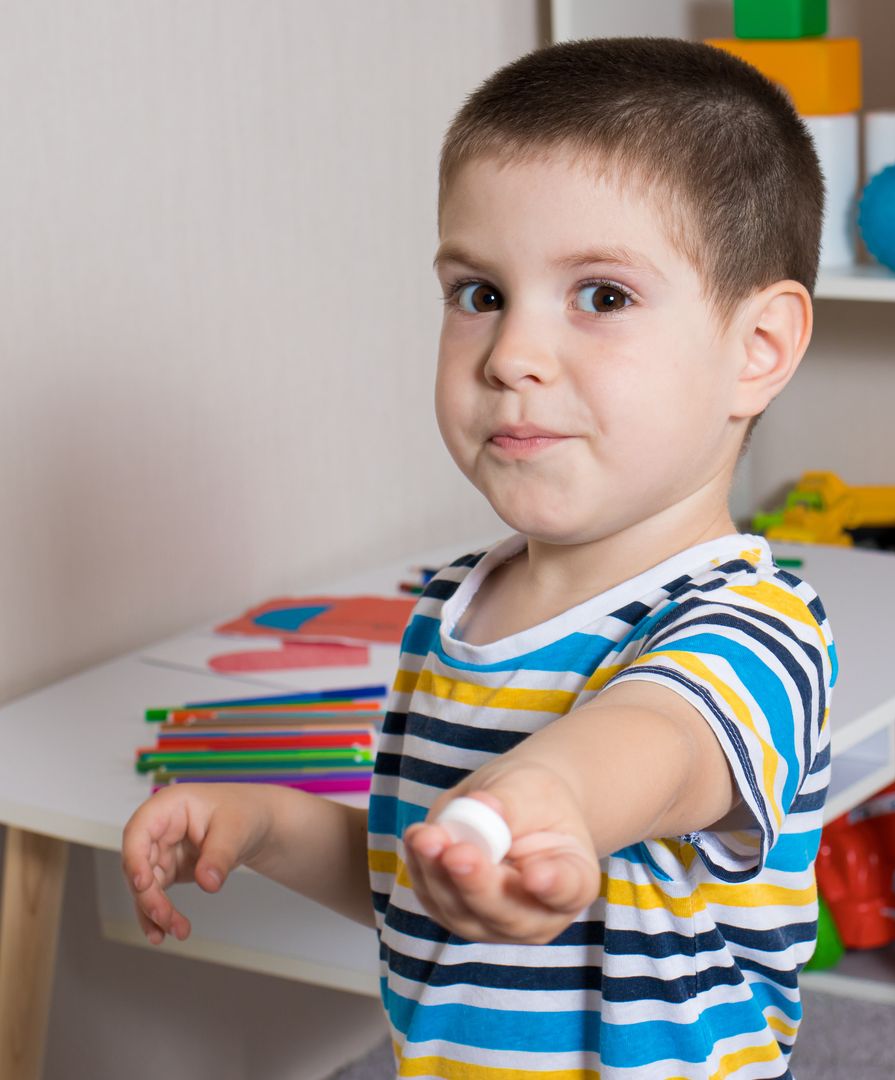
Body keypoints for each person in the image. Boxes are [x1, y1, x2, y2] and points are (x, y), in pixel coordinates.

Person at [122, 36, 837, 1078]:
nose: (510, 356)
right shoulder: (456, 609)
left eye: (601, 296)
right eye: (480, 294)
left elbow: (657, 742)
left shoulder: (756, 626)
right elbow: (433, 884)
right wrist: (265, 826)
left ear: (757, 350)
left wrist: (550, 798)